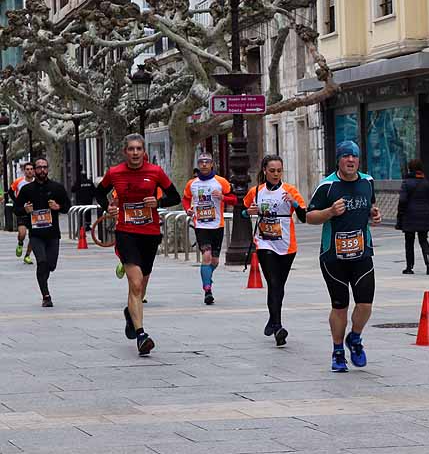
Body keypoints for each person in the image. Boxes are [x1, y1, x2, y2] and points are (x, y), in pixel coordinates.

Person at [95, 134, 180, 356]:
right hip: (126, 232)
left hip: (150, 233)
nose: (135, 153)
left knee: (141, 287)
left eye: (138, 149)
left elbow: (175, 196)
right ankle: (142, 335)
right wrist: (108, 208)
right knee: (134, 283)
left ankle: (130, 314)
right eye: (131, 149)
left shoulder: (155, 172)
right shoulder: (115, 173)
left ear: (144, 151)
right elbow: (98, 193)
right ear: (125, 151)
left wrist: (158, 202)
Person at [306, 141, 382, 373]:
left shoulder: (367, 181)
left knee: (366, 304)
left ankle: (355, 338)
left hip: (362, 254)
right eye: (346, 156)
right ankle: (338, 352)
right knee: (340, 306)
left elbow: (370, 206)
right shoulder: (328, 186)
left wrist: (374, 215)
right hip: (333, 257)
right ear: (338, 160)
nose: (351, 160)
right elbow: (309, 216)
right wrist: (329, 212)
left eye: (355, 157)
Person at [246, 155, 307, 346]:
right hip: (265, 242)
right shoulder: (256, 191)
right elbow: (245, 210)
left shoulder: (290, 190)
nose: (275, 174)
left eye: (279, 171)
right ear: (264, 170)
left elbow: (305, 216)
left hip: (287, 245)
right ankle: (279, 327)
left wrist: (294, 203)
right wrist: (248, 212)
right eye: (272, 170)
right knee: (272, 282)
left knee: (279, 285)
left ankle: (273, 320)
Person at [13, 158, 71, 307]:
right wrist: (25, 210)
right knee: (42, 262)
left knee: (50, 265)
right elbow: (16, 209)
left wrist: (58, 207)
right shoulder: (27, 190)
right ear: (35, 170)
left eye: (45, 167)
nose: (42, 170)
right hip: (36, 234)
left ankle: (44, 283)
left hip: (53, 234)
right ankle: (46, 295)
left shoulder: (56, 188)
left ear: (48, 169)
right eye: (39, 168)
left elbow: (67, 206)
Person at [182, 153, 237, 305]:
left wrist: (222, 197)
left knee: (214, 261)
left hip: (217, 225)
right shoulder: (192, 184)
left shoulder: (221, 182)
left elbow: (234, 199)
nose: (204, 165)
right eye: (201, 162)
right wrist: (188, 210)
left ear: (212, 164)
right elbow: (186, 198)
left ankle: (207, 277)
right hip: (201, 225)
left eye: (207, 162)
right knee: (206, 257)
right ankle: (207, 290)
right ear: (198, 165)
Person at [395, 159, 429, 275]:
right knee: (423, 240)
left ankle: (409, 267)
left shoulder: (406, 182)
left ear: (410, 169)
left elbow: (402, 200)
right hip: (424, 215)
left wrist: (400, 214)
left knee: (409, 241)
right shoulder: (426, 182)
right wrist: (428, 211)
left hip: (409, 215)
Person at [10, 162, 36, 264]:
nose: (29, 171)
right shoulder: (19, 182)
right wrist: (17, 201)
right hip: (22, 210)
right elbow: (11, 191)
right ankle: (20, 243)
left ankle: (27, 255)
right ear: (24, 171)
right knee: (22, 233)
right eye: (27, 169)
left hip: (34, 212)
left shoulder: (37, 182)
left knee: (34, 236)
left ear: (33, 171)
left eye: (31, 169)